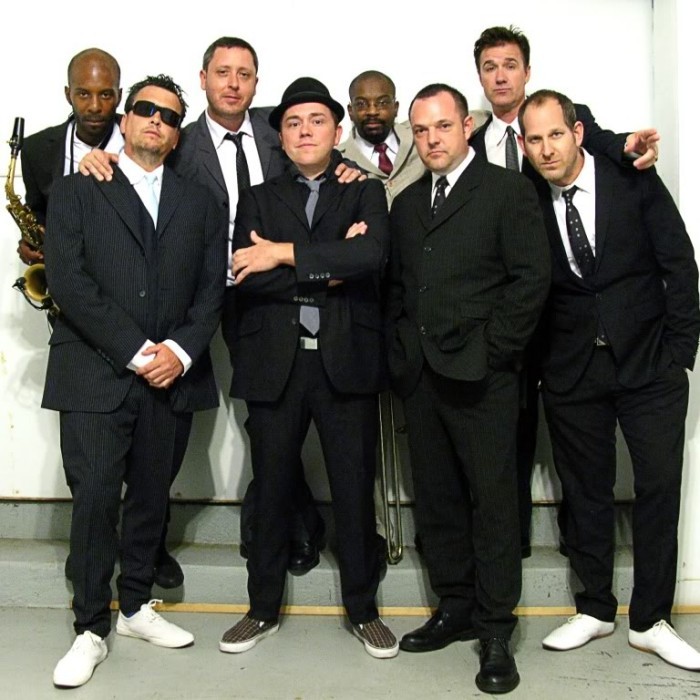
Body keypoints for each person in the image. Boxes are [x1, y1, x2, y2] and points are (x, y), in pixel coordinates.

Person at [44, 74, 227, 688]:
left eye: (170, 116)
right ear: (124, 120)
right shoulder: (76, 189)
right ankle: (89, 628)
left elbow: (211, 290)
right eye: (145, 109)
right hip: (95, 374)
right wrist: (135, 350)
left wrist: (178, 350)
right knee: (96, 499)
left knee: (152, 496)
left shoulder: (201, 201)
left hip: (171, 377)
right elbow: (68, 282)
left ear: (177, 135)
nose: (156, 120)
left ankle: (136, 606)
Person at [519, 89, 700, 671]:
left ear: (577, 133)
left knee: (658, 488)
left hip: (651, 365)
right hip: (572, 371)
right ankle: (594, 607)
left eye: (555, 134)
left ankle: (650, 620)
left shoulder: (630, 177)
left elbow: (679, 261)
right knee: (585, 493)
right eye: (534, 139)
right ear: (523, 145)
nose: (547, 149)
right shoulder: (524, 196)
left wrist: (680, 352)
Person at [218, 77, 397, 659]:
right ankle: (261, 609)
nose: (304, 131)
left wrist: (282, 253)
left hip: (347, 361)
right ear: (282, 138)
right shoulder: (259, 197)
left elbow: (370, 257)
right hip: (276, 362)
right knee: (271, 490)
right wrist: (329, 267)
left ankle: (363, 611)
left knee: (353, 489)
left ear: (337, 131)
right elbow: (249, 277)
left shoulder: (364, 191)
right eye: (293, 123)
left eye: (316, 121)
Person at [470, 25, 660, 557]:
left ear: (527, 71)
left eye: (510, 65)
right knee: (508, 432)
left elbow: (599, 140)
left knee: (578, 446)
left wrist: (626, 146)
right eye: (489, 67)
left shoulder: (562, 121)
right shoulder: (471, 139)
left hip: (563, 318)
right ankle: (512, 542)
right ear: (480, 76)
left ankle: (582, 545)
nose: (500, 76)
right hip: (502, 314)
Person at [387, 83, 550, 693]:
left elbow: (531, 279)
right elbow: (400, 289)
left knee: (493, 503)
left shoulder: (507, 191)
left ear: (467, 127)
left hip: (484, 379)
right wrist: (402, 354)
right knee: (437, 501)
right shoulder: (407, 204)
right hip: (422, 378)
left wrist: (495, 352)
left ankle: (495, 629)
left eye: (442, 126)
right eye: (421, 130)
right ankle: (454, 606)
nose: (431, 139)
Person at [18, 48, 185, 589]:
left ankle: (146, 553)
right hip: (80, 317)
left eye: (106, 94)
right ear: (66, 94)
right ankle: (92, 563)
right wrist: (38, 247)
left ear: (120, 101)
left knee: (151, 462)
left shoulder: (146, 140)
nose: (95, 105)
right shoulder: (40, 152)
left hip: (149, 323)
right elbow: (41, 215)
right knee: (91, 466)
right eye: (84, 94)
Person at [338, 70, 425, 205]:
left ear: (395, 108)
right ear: (350, 111)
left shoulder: (421, 138)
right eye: (361, 104)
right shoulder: (338, 161)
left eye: (382, 103)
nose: (372, 112)